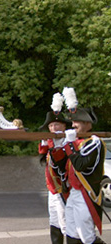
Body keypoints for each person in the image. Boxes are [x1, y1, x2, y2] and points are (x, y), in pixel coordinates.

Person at [51, 87, 106, 244]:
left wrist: (68, 144)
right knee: (72, 233)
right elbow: (61, 167)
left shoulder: (94, 142)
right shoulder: (75, 142)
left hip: (86, 193)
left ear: (88, 125)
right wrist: (56, 147)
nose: (73, 124)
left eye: (77, 121)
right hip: (74, 192)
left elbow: (81, 165)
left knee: (86, 236)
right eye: (73, 121)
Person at [38, 93, 71, 244]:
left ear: (64, 126)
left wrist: (51, 147)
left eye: (56, 125)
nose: (53, 128)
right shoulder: (49, 143)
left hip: (65, 189)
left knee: (66, 223)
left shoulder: (69, 143)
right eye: (51, 126)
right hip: (52, 188)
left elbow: (62, 165)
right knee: (54, 221)